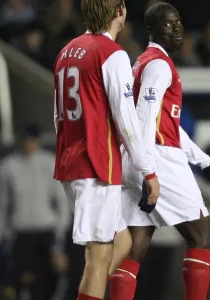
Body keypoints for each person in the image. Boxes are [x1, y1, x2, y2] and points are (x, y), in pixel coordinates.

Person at [110, 3, 210, 300]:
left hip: (135, 158)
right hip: (156, 159)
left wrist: (204, 161)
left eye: (179, 24)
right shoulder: (160, 66)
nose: (176, 30)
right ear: (152, 30)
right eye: (168, 25)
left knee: (136, 244)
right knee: (202, 236)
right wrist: (148, 170)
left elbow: (168, 123)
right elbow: (146, 119)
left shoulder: (144, 62)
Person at [53, 1, 160, 300]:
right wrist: (148, 171)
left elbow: (57, 116)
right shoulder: (112, 54)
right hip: (96, 166)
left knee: (122, 242)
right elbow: (126, 120)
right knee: (98, 258)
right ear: (120, 12)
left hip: (71, 161)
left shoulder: (67, 51)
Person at [0, 123, 69, 300]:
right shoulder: (7, 167)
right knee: (24, 282)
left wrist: (60, 232)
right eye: (26, 139)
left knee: (51, 280)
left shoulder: (49, 162)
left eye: (32, 139)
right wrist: (1, 236)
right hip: (21, 233)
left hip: (47, 231)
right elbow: (1, 204)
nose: (29, 143)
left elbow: (61, 200)